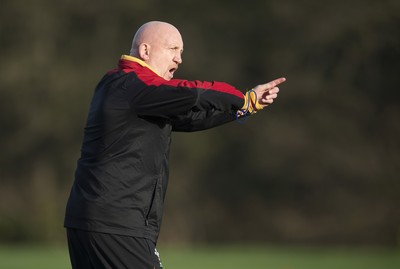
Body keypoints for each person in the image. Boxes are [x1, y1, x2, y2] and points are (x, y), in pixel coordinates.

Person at [64, 21, 286, 269]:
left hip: (95, 221)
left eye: (181, 52)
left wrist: (247, 107)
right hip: (116, 225)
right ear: (145, 51)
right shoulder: (133, 84)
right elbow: (196, 94)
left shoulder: (126, 87)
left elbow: (189, 118)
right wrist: (240, 98)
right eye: (172, 49)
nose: (179, 59)